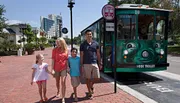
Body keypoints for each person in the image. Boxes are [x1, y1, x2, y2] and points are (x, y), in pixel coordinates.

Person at [80, 29, 102, 99]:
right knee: (87, 79)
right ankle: (89, 92)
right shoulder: (83, 45)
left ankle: (91, 86)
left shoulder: (96, 43)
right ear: (85, 36)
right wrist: (81, 65)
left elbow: (98, 54)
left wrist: (100, 62)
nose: (89, 35)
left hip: (94, 62)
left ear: (92, 35)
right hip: (86, 63)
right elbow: (81, 55)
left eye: (90, 34)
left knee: (97, 78)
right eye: (88, 34)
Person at [51, 37, 68, 103]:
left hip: (63, 68)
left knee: (63, 82)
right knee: (57, 82)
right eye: (56, 43)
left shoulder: (66, 50)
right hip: (56, 68)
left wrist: (68, 67)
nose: (57, 44)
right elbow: (53, 60)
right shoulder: (54, 50)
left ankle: (63, 97)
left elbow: (66, 60)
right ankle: (58, 91)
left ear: (62, 43)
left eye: (58, 42)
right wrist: (52, 69)